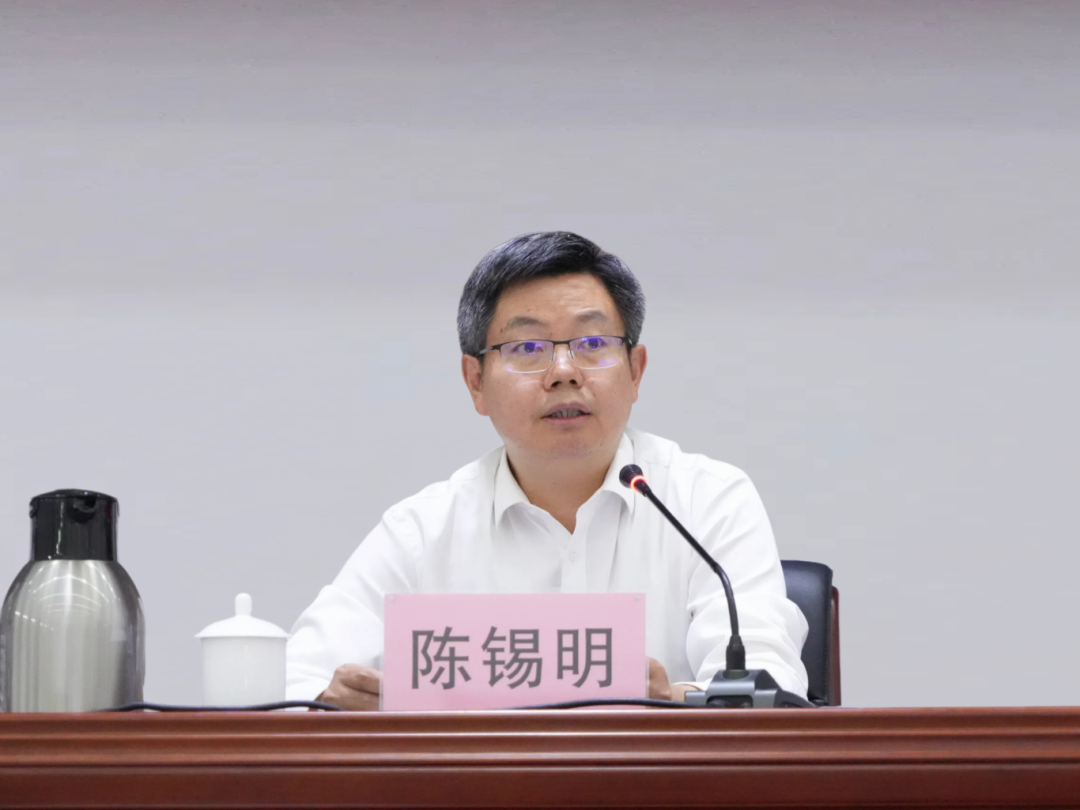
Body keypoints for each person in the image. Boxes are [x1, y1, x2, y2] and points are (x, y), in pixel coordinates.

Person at [286, 232, 808, 709]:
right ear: (475, 382)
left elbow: (767, 686)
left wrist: (666, 701)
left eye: (593, 344)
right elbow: (296, 685)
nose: (563, 373)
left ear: (635, 371)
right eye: (528, 348)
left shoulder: (706, 501)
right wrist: (335, 704)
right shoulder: (422, 531)